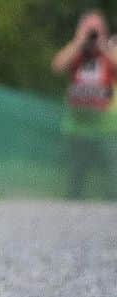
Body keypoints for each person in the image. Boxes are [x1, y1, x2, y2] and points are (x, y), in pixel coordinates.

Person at [52, 11, 116, 198]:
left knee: (113, 175)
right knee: (76, 176)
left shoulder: (110, 49)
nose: (93, 34)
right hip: (78, 125)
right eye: (89, 30)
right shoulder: (76, 50)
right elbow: (57, 66)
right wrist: (79, 42)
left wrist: (102, 46)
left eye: (96, 30)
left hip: (108, 125)